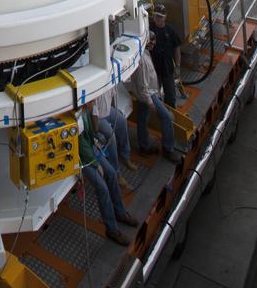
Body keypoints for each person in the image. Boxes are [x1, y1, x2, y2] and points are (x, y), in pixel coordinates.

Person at [78, 114, 138, 246]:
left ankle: (120, 212)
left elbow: (91, 132)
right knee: (102, 188)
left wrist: (93, 117)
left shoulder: (86, 109)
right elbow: (81, 144)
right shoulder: (77, 113)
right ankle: (112, 229)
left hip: (90, 147)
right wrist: (95, 164)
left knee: (111, 173)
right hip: (81, 157)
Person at [126, 32, 182, 164]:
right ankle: (168, 148)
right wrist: (151, 103)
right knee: (167, 117)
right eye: (151, 42)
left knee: (142, 119)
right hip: (148, 95)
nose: (153, 45)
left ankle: (144, 146)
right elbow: (143, 86)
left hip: (148, 94)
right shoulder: (142, 61)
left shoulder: (144, 54)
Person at [91, 89, 132, 172]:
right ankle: (116, 171)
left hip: (108, 111)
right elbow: (93, 112)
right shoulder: (95, 86)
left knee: (122, 121)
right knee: (111, 136)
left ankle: (125, 155)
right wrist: (96, 131)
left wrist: (115, 110)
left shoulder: (107, 79)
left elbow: (112, 96)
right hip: (98, 117)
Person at [150, 5, 182, 107]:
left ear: (165, 17)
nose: (158, 18)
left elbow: (177, 49)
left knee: (171, 95)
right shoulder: (148, 30)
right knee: (155, 95)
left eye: (161, 16)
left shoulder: (171, 31)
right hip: (154, 69)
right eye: (156, 16)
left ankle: (170, 114)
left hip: (167, 69)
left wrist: (177, 66)